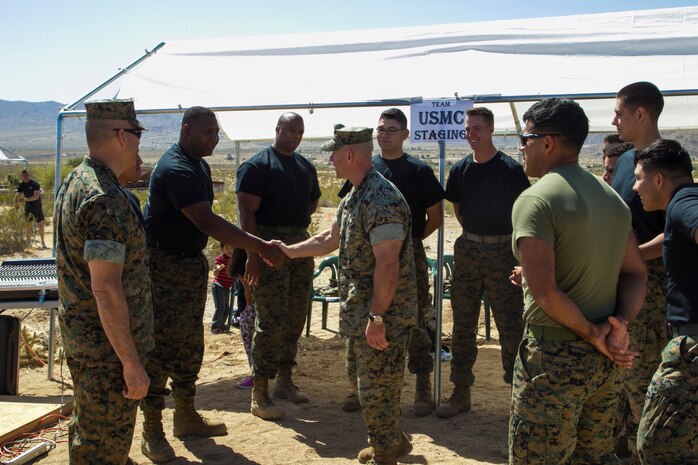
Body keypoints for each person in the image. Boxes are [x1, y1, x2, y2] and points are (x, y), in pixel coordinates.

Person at [140, 106, 286, 462]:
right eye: (208, 133)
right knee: (160, 347)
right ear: (187, 130)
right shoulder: (176, 168)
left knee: (190, 342)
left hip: (188, 266)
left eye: (217, 133)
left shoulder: (198, 166)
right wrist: (258, 246)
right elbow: (206, 221)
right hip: (163, 268)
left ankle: (186, 415)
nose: (214, 139)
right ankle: (152, 429)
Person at [509, 97, 647, 464]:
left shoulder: (536, 199)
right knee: (594, 456)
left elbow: (544, 291)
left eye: (525, 138)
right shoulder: (612, 200)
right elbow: (635, 272)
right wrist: (618, 328)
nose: (521, 147)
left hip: (553, 360)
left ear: (547, 142)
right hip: (605, 364)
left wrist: (592, 334)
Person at [275, 125, 417, 465]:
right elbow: (329, 239)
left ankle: (385, 454)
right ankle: (391, 440)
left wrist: (378, 318)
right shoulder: (355, 195)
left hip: (383, 316)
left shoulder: (381, 199)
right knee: (363, 381)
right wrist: (287, 251)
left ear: (350, 154)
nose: (329, 159)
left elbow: (388, 264)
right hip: (362, 313)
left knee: (377, 389)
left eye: (333, 152)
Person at [54, 98, 153, 465]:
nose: (140, 144)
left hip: (92, 345)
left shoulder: (78, 181)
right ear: (122, 136)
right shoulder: (103, 200)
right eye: (138, 135)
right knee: (103, 451)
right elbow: (105, 286)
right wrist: (130, 362)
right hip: (107, 355)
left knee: (91, 438)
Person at [336, 108, 445, 416]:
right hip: (366, 259)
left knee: (416, 320)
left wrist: (405, 245)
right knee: (360, 314)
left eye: (392, 129)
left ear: (405, 134)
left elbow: (436, 216)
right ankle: (356, 388)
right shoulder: (366, 167)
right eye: (381, 129)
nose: (385, 134)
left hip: (407, 256)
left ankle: (423, 385)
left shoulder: (418, 170)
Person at [438, 106, 530, 418]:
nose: (471, 134)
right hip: (469, 250)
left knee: (510, 325)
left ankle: (520, 396)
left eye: (477, 128)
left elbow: (522, 215)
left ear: (490, 130)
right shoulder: (461, 168)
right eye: (467, 129)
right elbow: (460, 210)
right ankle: (460, 392)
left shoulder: (509, 170)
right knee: (463, 323)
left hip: (503, 253)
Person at [236, 112, 321, 420]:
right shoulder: (257, 166)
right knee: (269, 320)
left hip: (298, 246)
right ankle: (260, 392)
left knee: (296, 315)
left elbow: (311, 203)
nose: (295, 135)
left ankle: (284, 381)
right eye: (290, 130)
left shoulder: (305, 166)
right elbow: (247, 216)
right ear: (277, 129)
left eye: (300, 131)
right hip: (266, 243)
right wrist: (253, 257)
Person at [611, 81, 669, 462]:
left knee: (642, 377)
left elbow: (672, 232)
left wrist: (633, 259)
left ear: (641, 114)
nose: (614, 120)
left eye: (619, 112)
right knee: (620, 379)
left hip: (649, 287)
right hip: (621, 281)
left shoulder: (664, 162)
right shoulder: (628, 161)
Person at [630, 139, 698, 464]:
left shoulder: (683, 202)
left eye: (639, 177)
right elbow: (670, 238)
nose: (635, 186)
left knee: (656, 444)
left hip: (692, 347)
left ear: (658, 180)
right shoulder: (683, 203)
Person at [227, 247, 256, 390]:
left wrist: (249, 309)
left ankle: (255, 375)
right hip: (268, 307)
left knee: (250, 341)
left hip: (252, 310)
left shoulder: (242, 265)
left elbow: (248, 291)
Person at [14, 169, 46, 248]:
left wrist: (25, 199)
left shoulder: (35, 184)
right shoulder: (21, 185)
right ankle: (28, 242)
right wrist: (16, 203)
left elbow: (36, 196)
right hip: (28, 207)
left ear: (29, 175)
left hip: (37, 206)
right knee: (28, 225)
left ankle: (42, 242)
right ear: (21, 176)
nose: (25, 177)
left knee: (40, 224)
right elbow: (17, 195)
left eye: (26, 175)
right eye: (23, 176)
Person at [210, 243, 235, 334]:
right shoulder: (221, 259)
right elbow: (216, 270)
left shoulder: (233, 260)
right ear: (222, 249)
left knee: (226, 308)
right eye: (227, 248)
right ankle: (215, 326)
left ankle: (221, 324)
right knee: (220, 307)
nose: (230, 250)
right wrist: (218, 269)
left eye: (232, 248)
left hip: (226, 287)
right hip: (218, 285)